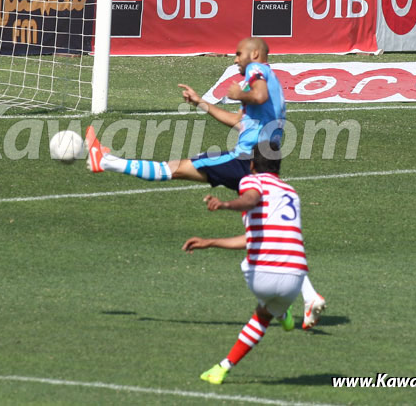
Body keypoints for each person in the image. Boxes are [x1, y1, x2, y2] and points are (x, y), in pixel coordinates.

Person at [85, 36, 326, 328]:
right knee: (270, 230)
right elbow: (240, 121)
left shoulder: (257, 71)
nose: (235, 59)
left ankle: (105, 161)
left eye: (239, 53)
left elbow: (258, 95)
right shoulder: (274, 81)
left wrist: (240, 93)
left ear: (254, 54)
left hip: (245, 159)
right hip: (261, 162)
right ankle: (304, 299)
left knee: (176, 168)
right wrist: (201, 103)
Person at [182, 141, 309, 385]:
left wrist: (225, 204)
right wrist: (210, 242)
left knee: (262, 291)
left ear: (251, 165)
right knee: (263, 314)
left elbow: (250, 199)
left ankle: (279, 312)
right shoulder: (292, 193)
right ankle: (223, 367)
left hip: (262, 275)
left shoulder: (252, 181)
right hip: (296, 277)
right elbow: (256, 238)